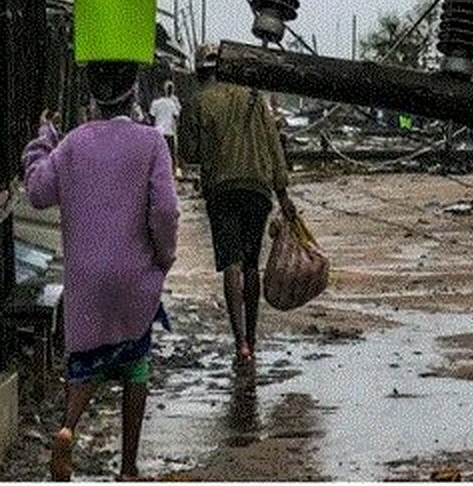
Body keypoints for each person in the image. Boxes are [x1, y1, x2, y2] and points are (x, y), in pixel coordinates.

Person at [22, 61, 178, 481]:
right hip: (135, 277)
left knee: (86, 362)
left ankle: (68, 427)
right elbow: (165, 210)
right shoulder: (151, 143)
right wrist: (165, 256)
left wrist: (44, 141)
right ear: (134, 97)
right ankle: (128, 468)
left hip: (86, 281)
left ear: (92, 100)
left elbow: (37, 192)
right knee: (136, 363)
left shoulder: (72, 145)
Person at [194, 44, 294, 362]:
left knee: (231, 264)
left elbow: (188, 153)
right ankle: (252, 337)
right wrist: (283, 194)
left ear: (201, 72)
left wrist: (213, 150)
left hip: (221, 191)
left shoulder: (200, 102)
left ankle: (241, 344)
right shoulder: (255, 99)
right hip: (258, 191)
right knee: (251, 265)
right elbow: (274, 147)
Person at [148, 80, 182, 175]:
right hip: (169, 132)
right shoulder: (172, 103)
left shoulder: (155, 103)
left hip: (158, 132)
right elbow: (176, 116)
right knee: (171, 155)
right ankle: (172, 174)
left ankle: (155, 173)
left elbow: (151, 117)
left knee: (156, 155)